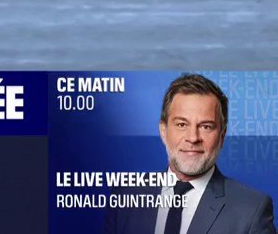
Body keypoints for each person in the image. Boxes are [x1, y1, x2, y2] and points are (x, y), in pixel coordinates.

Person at [103, 73, 275, 234]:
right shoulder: (125, 196)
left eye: (206, 126)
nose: (193, 138)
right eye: (181, 125)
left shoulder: (252, 210)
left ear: (222, 137)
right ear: (163, 131)